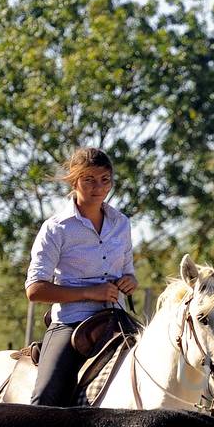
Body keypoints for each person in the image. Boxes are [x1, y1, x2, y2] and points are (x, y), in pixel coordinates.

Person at [24, 147, 138, 406]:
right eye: (89, 180)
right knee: (45, 398)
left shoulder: (122, 223)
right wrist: (90, 292)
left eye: (105, 180)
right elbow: (35, 290)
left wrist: (131, 281)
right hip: (72, 322)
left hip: (117, 320)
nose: (98, 187)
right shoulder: (56, 228)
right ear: (74, 181)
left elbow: (128, 270)